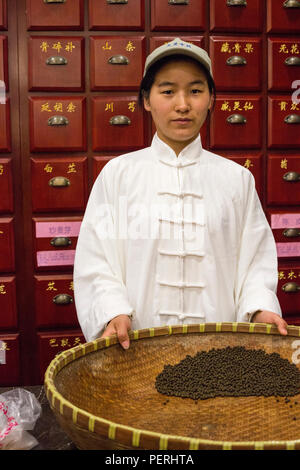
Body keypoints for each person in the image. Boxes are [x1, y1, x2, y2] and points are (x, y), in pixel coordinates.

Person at [73, 38, 287, 349]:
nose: (183, 104)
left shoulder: (236, 179)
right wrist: (112, 312)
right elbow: (97, 260)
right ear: (146, 99)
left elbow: (255, 262)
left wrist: (260, 308)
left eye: (196, 91)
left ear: (211, 98)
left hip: (219, 351)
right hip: (137, 351)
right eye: (168, 91)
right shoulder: (118, 176)